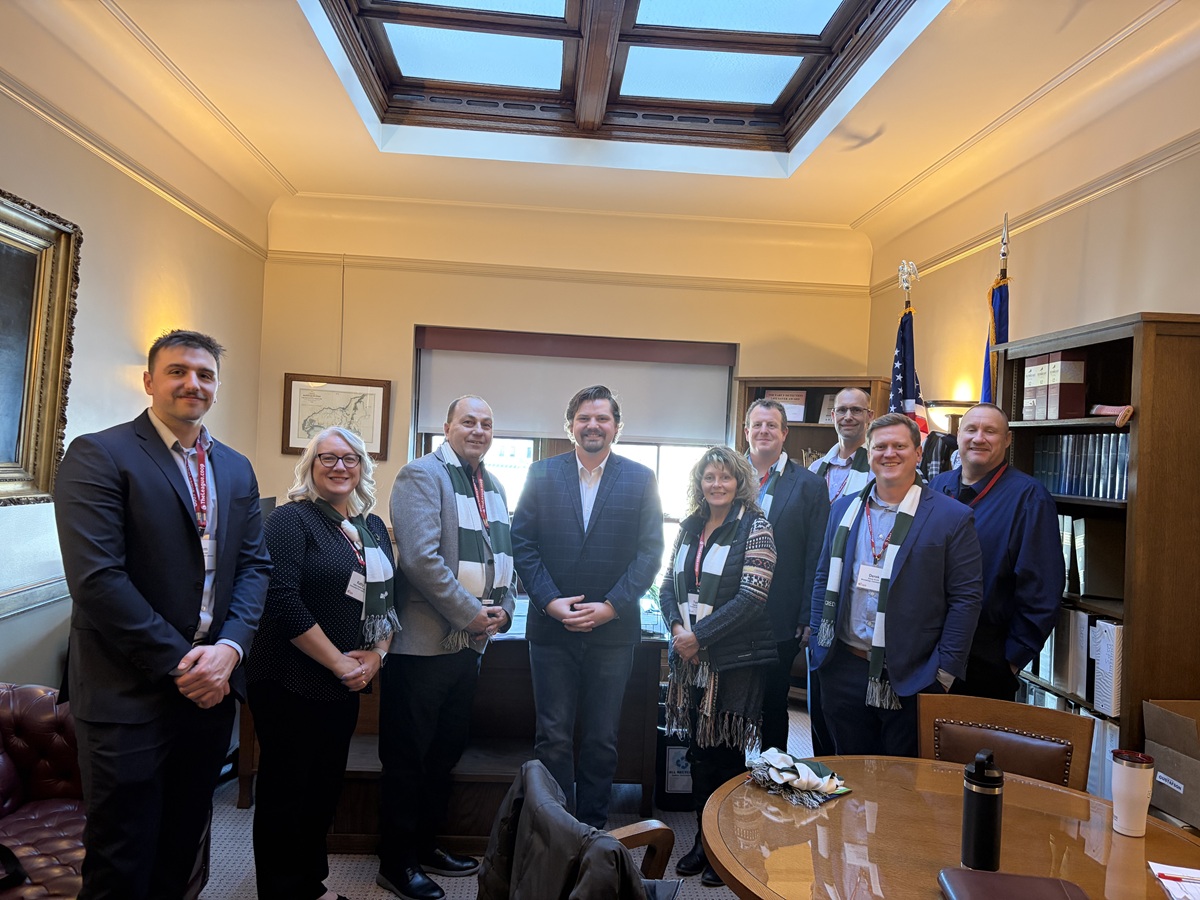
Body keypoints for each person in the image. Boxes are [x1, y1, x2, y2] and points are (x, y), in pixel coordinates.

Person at [53, 329, 272, 899]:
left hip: (212, 688)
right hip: (127, 691)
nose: (191, 384)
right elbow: (98, 581)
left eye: (204, 375)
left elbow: (253, 568)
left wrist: (229, 651)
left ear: (216, 389)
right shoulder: (99, 453)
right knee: (121, 856)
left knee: (182, 845)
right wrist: (183, 664)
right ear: (150, 381)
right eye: (177, 371)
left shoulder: (235, 467)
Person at [246, 427, 398, 900]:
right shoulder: (291, 520)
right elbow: (282, 600)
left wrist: (376, 655)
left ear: (362, 467)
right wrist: (338, 663)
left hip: (345, 681)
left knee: (322, 789)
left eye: (350, 458)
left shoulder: (371, 526)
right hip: (288, 678)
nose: (339, 467)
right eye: (327, 458)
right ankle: (280, 890)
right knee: (286, 791)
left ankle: (309, 884)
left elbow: (388, 601)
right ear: (311, 466)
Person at [377, 396, 516, 900]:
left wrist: (504, 609)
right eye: (468, 422)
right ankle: (395, 862)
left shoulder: (492, 485)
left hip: (468, 647)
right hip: (422, 648)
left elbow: (505, 559)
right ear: (447, 427)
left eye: (486, 423)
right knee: (407, 759)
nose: (478, 430)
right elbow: (420, 559)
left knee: (443, 756)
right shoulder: (421, 475)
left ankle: (426, 845)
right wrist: (471, 613)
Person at [510, 385, 664, 829]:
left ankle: (593, 831)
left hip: (613, 634)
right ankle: (557, 832)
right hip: (550, 631)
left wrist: (612, 607)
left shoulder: (640, 478)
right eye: (583, 418)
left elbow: (650, 552)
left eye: (602, 418)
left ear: (617, 427)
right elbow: (523, 544)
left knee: (602, 739)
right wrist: (551, 603)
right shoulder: (541, 474)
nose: (592, 425)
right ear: (569, 426)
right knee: (552, 738)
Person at [807, 413, 983, 757]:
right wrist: (817, 642)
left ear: (918, 454)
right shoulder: (843, 508)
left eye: (899, 446)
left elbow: (966, 600)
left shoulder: (952, 517)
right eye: (880, 447)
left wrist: (943, 673)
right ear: (868, 453)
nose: (889, 454)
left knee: (901, 789)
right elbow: (822, 578)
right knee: (848, 779)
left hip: (912, 675)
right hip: (843, 668)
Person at [660, 447, 777, 887]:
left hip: (734, 661)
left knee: (725, 757)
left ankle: (724, 846)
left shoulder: (756, 527)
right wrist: (677, 629)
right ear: (699, 483)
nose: (716, 484)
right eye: (709, 477)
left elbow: (752, 597)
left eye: (725, 477)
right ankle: (701, 842)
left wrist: (699, 637)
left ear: (739, 481)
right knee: (696, 753)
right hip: (689, 660)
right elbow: (666, 585)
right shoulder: (690, 526)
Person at [929, 403, 1063, 699]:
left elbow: (1042, 589)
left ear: (1007, 440)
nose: (979, 438)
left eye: (990, 431)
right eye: (971, 429)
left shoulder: (1030, 498)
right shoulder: (937, 487)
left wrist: (1010, 661)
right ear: (959, 435)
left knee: (970, 745)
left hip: (985, 659)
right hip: (927, 648)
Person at [743, 399, 828, 755]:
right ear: (746, 431)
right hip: (728, 615)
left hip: (781, 617)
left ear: (784, 433)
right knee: (728, 705)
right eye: (757, 425)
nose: (764, 432)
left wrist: (808, 615)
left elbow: (815, 555)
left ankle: (770, 784)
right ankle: (726, 791)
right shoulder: (725, 477)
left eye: (772, 426)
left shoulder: (809, 485)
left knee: (773, 704)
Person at [806, 387, 874, 754]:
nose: (848, 416)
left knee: (854, 717)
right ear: (832, 416)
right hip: (820, 588)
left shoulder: (877, 467)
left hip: (855, 593)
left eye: (856, 410)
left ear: (869, 415)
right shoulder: (817, 469)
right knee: (822, 700)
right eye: (841, 410)